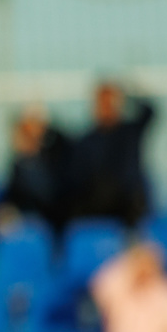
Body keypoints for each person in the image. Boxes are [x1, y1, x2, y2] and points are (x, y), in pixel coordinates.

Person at [63, 81, 155, 228]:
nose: (106, 107)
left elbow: (151, 111)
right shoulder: (87, 140)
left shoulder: (130, 132)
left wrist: (127, 95)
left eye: (110, 102)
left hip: (128, 203)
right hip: (98, 204)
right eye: (102, 102)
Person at [0, 104, 70, 231]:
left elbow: (49, 196)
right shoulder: (18, 165)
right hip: (26, 219)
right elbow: (10, 196)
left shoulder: (54, 157)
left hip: (50, 220)